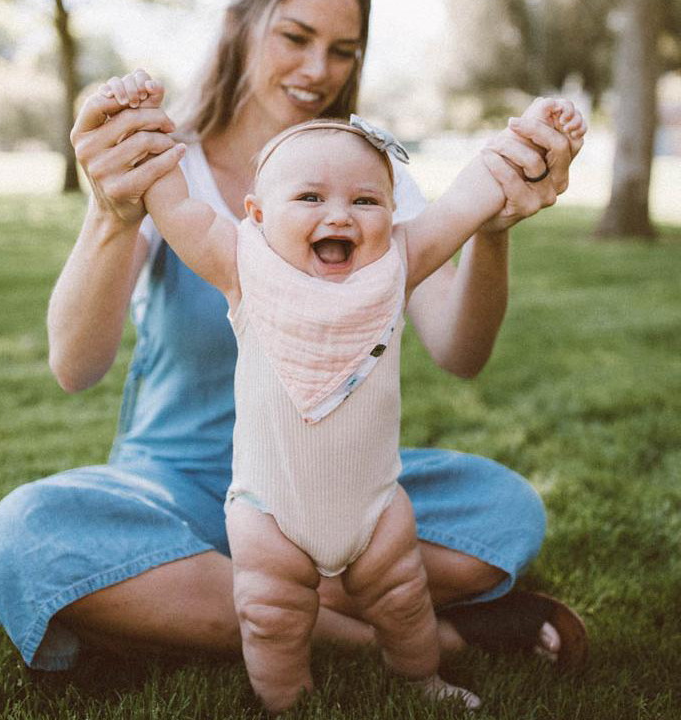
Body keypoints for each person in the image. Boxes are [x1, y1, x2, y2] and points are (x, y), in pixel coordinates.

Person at [0, 0, 587, 691]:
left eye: (343, 49)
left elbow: (460, 352)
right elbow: (75, 365)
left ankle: (176, 605)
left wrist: (493, 226)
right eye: (296, 37)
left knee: (504, 510)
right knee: (25, 537)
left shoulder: (371, 181)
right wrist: (112, 214)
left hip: (337, 482)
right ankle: (409, 633)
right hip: (175, 489)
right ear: (241, 25)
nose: (318, 69)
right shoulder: (166, 168)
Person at [96, 77, 583, 711]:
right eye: (310, 196)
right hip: (268, 511)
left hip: (375, 507)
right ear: (259, 215)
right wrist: (144, 131)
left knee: (404, 600)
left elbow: (466, 200)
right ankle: (289, 700)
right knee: (270, 616)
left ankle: (423, 678)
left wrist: (522, 143)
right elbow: (180, 208)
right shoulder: (243, 264)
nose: (339, 215)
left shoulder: (399, 261)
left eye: (365, 200)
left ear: (391, 211)